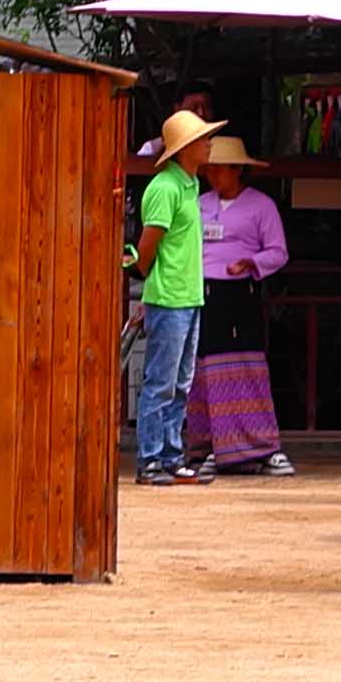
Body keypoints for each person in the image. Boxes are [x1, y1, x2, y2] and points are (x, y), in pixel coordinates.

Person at [126, 108, 221, 486]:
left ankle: (169, 455)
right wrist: (146, 276)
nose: (209, 144)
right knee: (162, 381)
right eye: (202, 139)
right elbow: (148, 246)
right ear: (185, 148)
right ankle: (151, 458)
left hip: (188, 295)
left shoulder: (188, 183)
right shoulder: (166, 187)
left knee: (180, 383)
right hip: (169, 296)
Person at [188, 139, 290, 474]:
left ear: (238, 171)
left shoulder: (261, 206)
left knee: (245, 366)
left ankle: (260, 445)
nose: (214, 176)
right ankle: (209, 446)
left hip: (239, 292)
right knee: (204, 371)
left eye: (220, 170)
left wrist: (252, 262)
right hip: (202, 292)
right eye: (210, 170)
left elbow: (278, 251)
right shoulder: (198, 203)